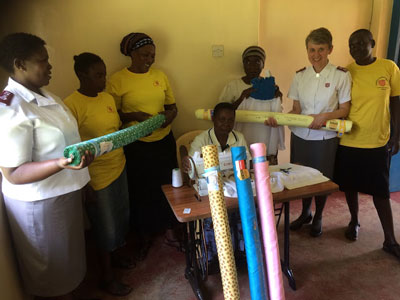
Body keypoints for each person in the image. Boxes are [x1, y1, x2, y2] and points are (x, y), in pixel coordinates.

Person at [0, 33, 93, 300]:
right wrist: (61, 163)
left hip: (64, 191)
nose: (50, 66)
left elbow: (64, 141)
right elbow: (13, 173)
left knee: (68, 262)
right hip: (41, 203)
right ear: (20, 64)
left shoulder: (46, 96)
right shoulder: (9, 107)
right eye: (42, 61)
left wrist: (85, 154)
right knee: (51, 270)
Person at [268, 27, 351, 237]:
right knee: (301, 176)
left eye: (321, 49)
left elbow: (345, 109)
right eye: (312, 50)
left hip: (325, 136)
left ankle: (319, 215)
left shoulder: (341, 75)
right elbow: (296, 110)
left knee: (322, 178)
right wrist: (279, 119)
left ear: (330, 49)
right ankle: (305, 212)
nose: (316, 55)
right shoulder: (300, 76)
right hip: (301, 136)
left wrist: (324, 117)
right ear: (307, 50)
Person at [64, 52, 133, 296]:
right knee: (105, 227)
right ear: (82, 75)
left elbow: (114, 128)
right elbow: (71, 149)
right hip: (96, 176)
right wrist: (84, 185)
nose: (104, 80)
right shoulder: (71, 105)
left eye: (103, 74)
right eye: (98, 75)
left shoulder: (106, 98)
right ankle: (106, 276)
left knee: (121, 217)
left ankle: (116, 258)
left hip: (119, 165)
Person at [107, 32, 179, 259]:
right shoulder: (117, 81)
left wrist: (167, 118)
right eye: (145, 55)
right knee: (140, 190)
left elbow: (173, 107)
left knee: (168, 185)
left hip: (163, 140)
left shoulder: (160, 76)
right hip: (136, 144)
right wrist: (134, 116)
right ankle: (145, 236)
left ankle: (169, 230)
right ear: (132, 54)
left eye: (153, 55)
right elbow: (112, 113)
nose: (150, 59)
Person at [334, 29, 400, 259]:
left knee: (380, 192)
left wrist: (397, 135)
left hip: (378, 141)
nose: (356, 48)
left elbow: (396, 102)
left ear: (372, 43)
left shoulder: (389, 67)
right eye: (352, 45)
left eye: (361, 43)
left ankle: (390, 240)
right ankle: (354, 221)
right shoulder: (346, 72)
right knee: (350, 186)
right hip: (350, 141)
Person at [184, 102, 248, 273]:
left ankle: (240, 253)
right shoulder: (202, 139)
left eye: (230, 120)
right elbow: (191, 167)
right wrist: (188, 166)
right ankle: (214, 258)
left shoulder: (238, 138)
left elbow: (245, 164)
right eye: (222, 119)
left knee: (245, 208)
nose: (226, 124)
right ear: (213, 119)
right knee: (215, 214)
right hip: (209, 189)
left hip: (232, 186)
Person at [219, 45, 284, 165]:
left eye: (257, 62)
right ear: (243, 64)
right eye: (248, 62)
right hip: (241, 138)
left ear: (263, 65)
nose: (252, 66)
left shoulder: (268, 86)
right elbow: (220, 113)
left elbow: (277, 112)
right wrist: (242, 97)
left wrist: (278, 97)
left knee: (263, 174)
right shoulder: (233, 86)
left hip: (264, 137)